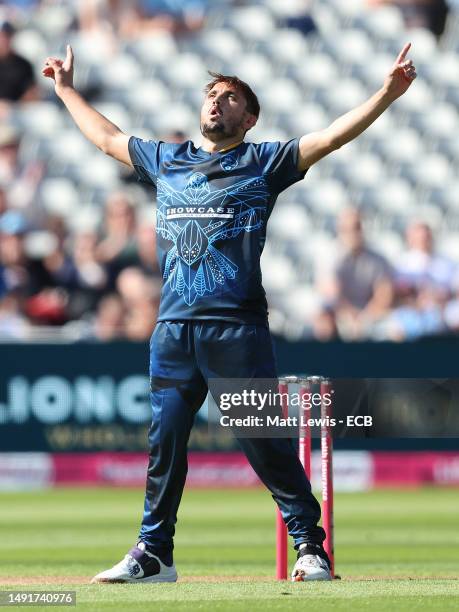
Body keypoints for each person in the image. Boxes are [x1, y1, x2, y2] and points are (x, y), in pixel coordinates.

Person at [42, 42, 416, 583]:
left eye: (231, 97)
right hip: (172, 329)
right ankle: (154, 554)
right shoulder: (167, 159)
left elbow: (331, 136)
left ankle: (310, 546)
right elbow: (105, 138)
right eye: (212, 94)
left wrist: (387, 92)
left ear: (250, 116)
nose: (217, 102)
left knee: (263, 442)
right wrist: (67, 89)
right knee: (164, 441)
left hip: (235, 329)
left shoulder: (263, 162)